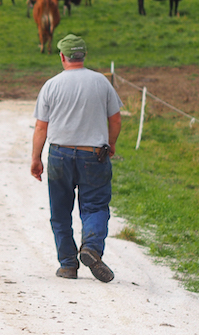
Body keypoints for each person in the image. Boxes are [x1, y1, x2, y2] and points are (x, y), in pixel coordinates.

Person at [30, 34, 122, 282]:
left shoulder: (52, 85)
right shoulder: (101, 83)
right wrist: (111, 144)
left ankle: (68, 264)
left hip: (60, 153)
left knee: (60, 211)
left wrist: (36, 159)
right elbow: (115, 119)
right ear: (83, 56)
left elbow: (41, 128)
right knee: (95, 206)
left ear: (62, 56)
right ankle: (91, 247)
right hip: (94, 154)